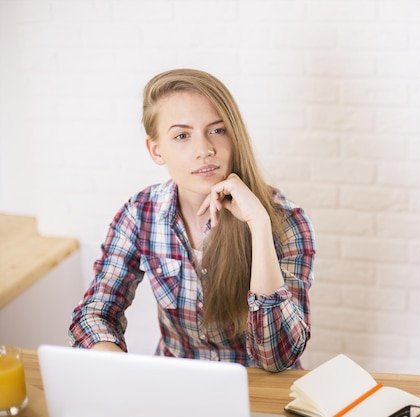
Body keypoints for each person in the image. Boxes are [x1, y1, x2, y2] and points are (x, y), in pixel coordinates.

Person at [69, 68, 316, 372]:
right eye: (182, 135)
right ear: (156, 150)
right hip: (177, 389)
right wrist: (124, 376)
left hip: (257, 393)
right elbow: (94, 314)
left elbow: (278, 358)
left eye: (217, 130)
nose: (204, 150)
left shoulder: (285, 220)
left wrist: (260, 227)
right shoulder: (141, 213)